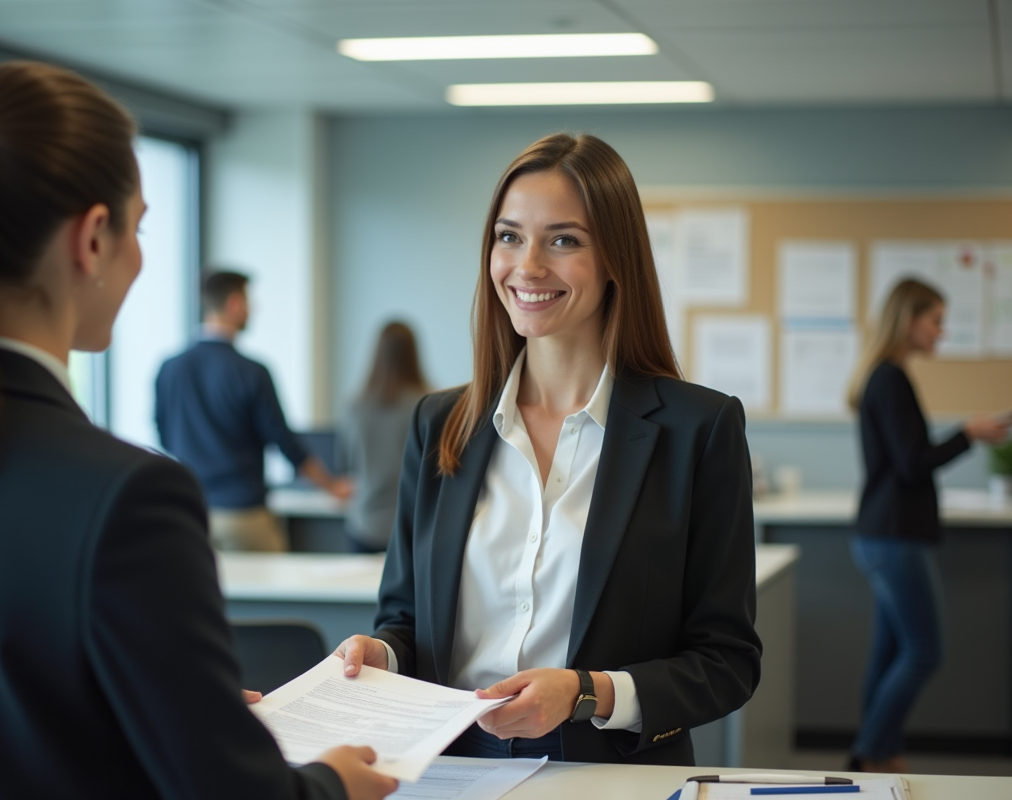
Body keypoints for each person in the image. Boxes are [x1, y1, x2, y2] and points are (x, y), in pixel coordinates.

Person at [0, 61, 396, 800]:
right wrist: (333, 783)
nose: (140, 256)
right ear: (91, 239)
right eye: (138, 226)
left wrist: (180, 711)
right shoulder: (127, 496)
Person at [337, 132, 762, 765]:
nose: (528, 265)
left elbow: (727, 662)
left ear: (616, 258)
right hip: (450, 766)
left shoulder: (698, 428)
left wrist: (587, 693)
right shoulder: (440, 423)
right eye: (509, 236)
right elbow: (405, 620)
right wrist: (383, 654)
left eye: (563, 241)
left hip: (606, 771)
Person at [844, 278, 1008, 774]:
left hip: (884, 534)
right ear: (909, 320)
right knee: (923, 652)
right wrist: (968, 434)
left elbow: (906, 459)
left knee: (890, 651)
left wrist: (966, 435)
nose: (941, 331)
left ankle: (881, 751)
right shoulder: (890, 378)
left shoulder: (884, 376)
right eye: (936, 320)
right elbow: (913, 463)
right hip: (893, 537)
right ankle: (870, 753)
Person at [155, 271, 352, 552]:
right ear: (234, 304)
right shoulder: (250, 372)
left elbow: (165, 436)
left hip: (193, 515)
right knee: (272, 578)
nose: (252, 309)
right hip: (243, 516)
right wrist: (331, 486)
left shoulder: (169, 368)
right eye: (249, 302)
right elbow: (285, 442)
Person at [337, 321, 430, 553]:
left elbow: (346, 467)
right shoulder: (429, 406)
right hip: (413, 527)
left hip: (364, 526)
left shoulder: (354, 407)